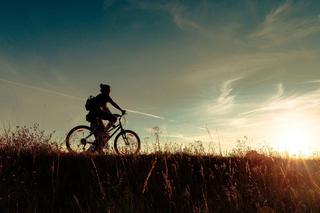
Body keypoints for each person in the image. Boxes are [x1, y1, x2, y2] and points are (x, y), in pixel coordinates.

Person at [86, 84, 126, 151]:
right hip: (96, 114)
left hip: (94, 116)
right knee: (114, 119)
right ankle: (104, 132)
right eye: (109, 91)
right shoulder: (105, 96)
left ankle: (93, 151)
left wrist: (111, 119)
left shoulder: (101, 98)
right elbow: (113, 103)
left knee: (100, 136)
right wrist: (121, 110)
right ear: (107, 91)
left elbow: (106, 110)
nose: (110, 92)